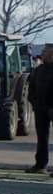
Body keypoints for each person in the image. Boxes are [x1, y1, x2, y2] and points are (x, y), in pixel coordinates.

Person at [28, 42, 53, 174]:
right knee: (42, 138)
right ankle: (40, 165)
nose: (42, 54)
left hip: (51, 107)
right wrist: (33, 101)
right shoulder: (39, 70)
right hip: (40, 108)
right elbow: (31, 87)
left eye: (45, 52)